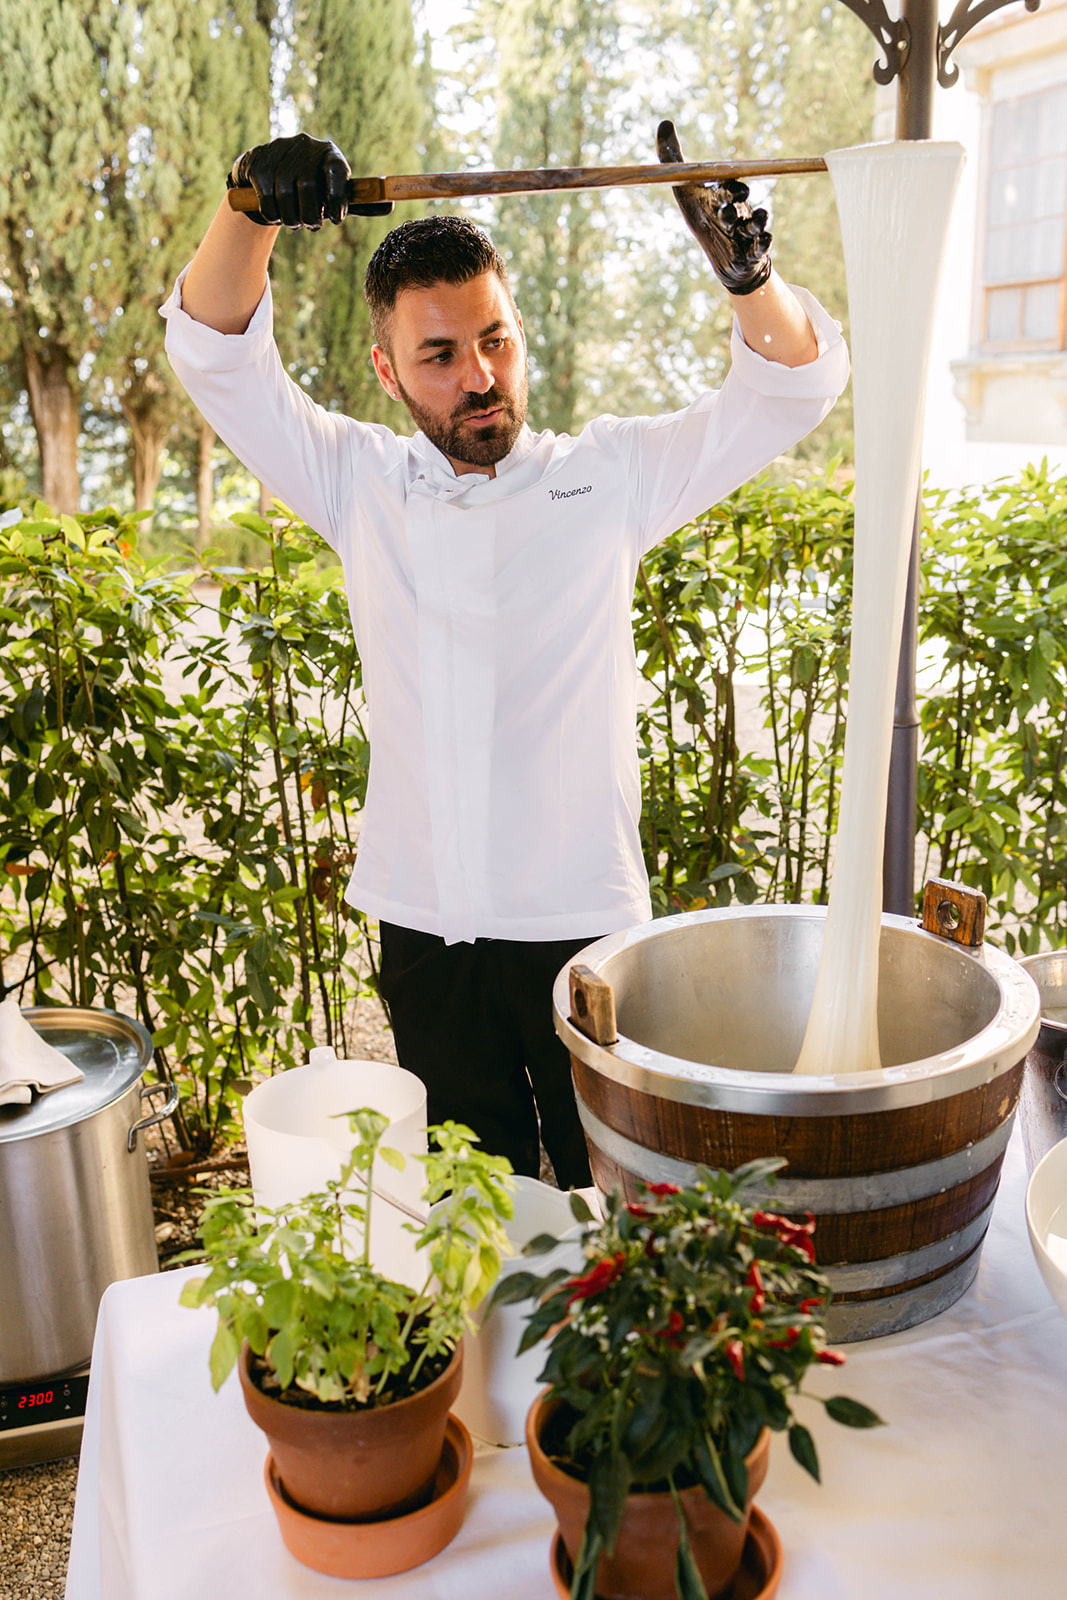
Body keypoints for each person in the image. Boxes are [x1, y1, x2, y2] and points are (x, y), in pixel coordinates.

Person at [161, 122, 849, 1188]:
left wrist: (750, 280)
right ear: (388, 371)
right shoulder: (357, 483)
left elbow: (789, 392)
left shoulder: (608, 476)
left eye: (496, 339)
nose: (480, 375)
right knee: (470, 1223)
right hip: (425, 932)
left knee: (614, 1203)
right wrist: (247, 204)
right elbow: (216, 356)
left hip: (584, 929)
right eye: (440, 355)